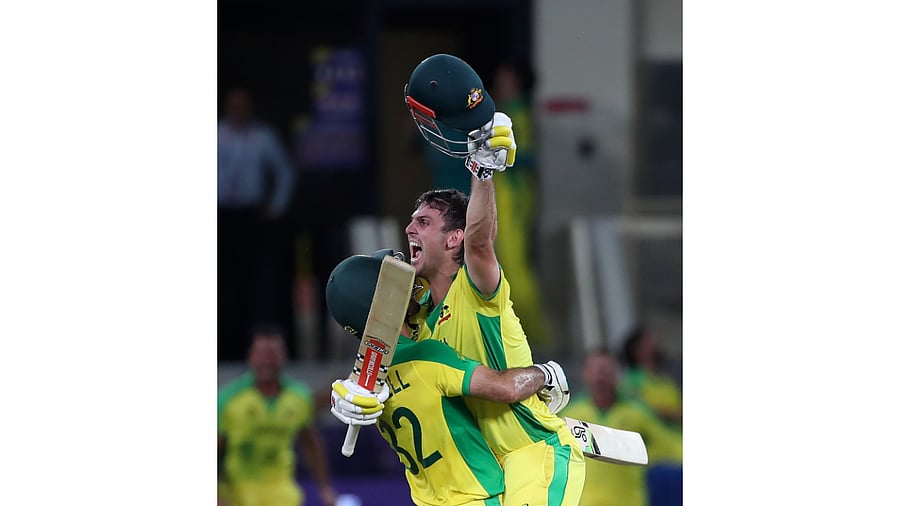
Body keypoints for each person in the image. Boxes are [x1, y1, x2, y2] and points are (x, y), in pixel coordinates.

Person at [398, 53, 585, 505]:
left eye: (423, 222)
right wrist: (350, 394)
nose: (409, 230)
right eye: (412, 221)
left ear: (453, 239)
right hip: (491, 477)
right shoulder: (416, 319)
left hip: (534, 452)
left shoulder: (476, 289)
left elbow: (481, 243)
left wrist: (483, 171)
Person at [325, 251, 572, 506]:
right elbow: (506, 388)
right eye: (393, 281)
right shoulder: (426, 353)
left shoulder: (366, 386)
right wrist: (546, 373)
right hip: (477, 498)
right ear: (383, 302)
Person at [218, 86, 297, 361]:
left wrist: (276, 208)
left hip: (251, 217)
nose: (237, 110)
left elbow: (284, 171)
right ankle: (225, 348)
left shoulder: (262, 136)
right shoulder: (217, 134)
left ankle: (255, 347)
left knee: (255, 284)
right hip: (221, 215)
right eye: (233, 105)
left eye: (242, 105)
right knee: (223, 284)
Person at [218, 325, 337, 506]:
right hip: (238, 489)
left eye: (273, 354)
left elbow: (311, 444)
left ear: (283, 357)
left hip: (281, 489)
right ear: (250, 357)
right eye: (261, 354)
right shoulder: (229, 400)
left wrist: (325, 488)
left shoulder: (298, 397)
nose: (267, 361)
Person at [560, 348, 682, 506]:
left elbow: (670, 444)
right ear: (585, 374)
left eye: (606, 371)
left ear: (617, 375)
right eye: (596, 370)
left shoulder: (637, 413)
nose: (601, 377)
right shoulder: (570, 415)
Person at [489, 59, 551, 347]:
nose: (499, 84)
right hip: (505, 198)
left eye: (505, 78)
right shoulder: (509, 113)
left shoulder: (517, 115)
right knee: (506, 266)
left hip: (514, 199)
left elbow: (525, 156)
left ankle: (538, 338)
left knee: (514, 270)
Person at [619, 325, 683, 429]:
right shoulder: (633, 379)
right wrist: (674, 413)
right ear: (638, 351)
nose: (656, 342)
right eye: (649, 341)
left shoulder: (665, 380)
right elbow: (640, 410)